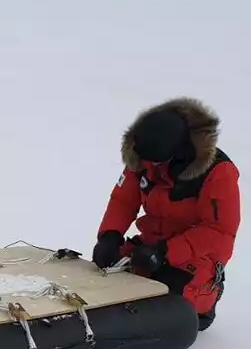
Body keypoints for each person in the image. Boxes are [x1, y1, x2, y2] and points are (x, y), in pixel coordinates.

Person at [91, 97, 240, 331]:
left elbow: (219, 233)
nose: (150, 167)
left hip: (192, 257)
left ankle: (201, 307)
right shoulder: (145, 154)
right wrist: (109, 236)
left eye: (156, 162)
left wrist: (166, 253)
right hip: (149, 246)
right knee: (103, 273)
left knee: (169, 292)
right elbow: (123, 200)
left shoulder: (218, 173)